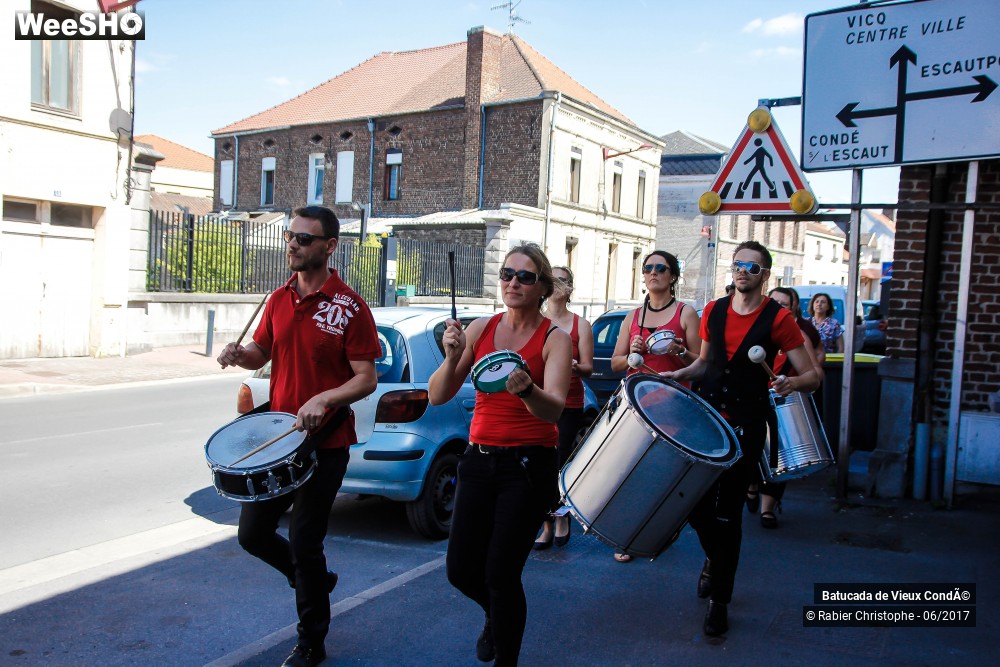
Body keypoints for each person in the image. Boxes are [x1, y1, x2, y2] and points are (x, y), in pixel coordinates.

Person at [217, 206, 381, 667]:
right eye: (291, 236)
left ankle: (311, 641)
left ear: (329, 247)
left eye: (305, 239)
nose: (293, 244)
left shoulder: (350, 306)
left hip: (325, 444)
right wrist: (240, 354)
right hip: (279, 439)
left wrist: (326, 398)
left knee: (307, 541)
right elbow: (261, 352)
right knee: (252, 534)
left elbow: (366, 378)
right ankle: (312, 578)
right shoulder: (278, 298)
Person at [662, 241, 819, 637]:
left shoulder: (779, 319)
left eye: (751, 265)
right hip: (706, 420)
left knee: (728, 513)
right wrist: (680, 375)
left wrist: (790, 382)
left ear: (765, 274)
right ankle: (716, 560)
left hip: (747, 425)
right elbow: (704, 363)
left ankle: (720, 600)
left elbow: (813, 376)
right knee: (694, 507)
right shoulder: (714, 309)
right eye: (737, 264)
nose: (742, 270)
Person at [428, 243, 571, 666]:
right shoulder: (480, 329)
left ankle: (506, 654)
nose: (513, 282)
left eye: (525, 277)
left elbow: (556, 408)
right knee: (460, 570)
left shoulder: (554, 339)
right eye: (508, 274)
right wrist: (452, 356)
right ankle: (495, 614)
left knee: (501, 574)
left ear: (542, 286)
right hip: (478, 461)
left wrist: (527, 389)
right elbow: (437, 396)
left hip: (526, 467)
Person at [608, 249, 700, 563]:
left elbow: (702, 362)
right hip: (637, 405)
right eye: (648, 268)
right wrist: (631, 350)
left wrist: (680, 351)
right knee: (629, 471)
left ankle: (661, 527)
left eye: (661, 268)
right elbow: (616, 363)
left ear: (673, 276)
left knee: (661, 474)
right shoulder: (633, 316)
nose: (653, 273)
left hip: (674, 404)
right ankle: (628, 535)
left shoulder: (686, 313)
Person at [746, 287, 826, 529]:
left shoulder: (797, 334)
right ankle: (751, 485)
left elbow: (815, 373)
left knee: (779, 456)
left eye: (785, 304)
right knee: (751, 452)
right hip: (752, 400)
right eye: (775, 302)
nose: (779, 307)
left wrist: (793, 382)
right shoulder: (754, 330)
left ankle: (767, 508)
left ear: (793, 309)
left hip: (782, 402)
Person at [533, 265, 593, 550]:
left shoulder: (580, 324)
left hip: (568, 403)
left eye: (564, 280)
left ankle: (562, 516)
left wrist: (573, 365)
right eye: (554, 278)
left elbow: (589, 369)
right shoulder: (538, 320)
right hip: (539, 401)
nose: (559, 283)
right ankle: (545, 521)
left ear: (570, 288)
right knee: (539, 462)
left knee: (560, 462)